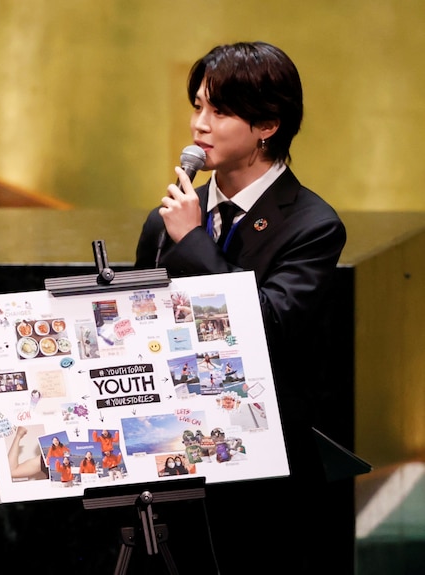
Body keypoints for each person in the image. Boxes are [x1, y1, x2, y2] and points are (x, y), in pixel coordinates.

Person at [134, 41, 348, 574]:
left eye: (220, 111)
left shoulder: (311, 225)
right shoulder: (167, 221)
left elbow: (267, 325)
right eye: (199, 105)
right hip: (173, 456)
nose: (199, 125)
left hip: (265, 469)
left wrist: (194, 246)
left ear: (268, 125)